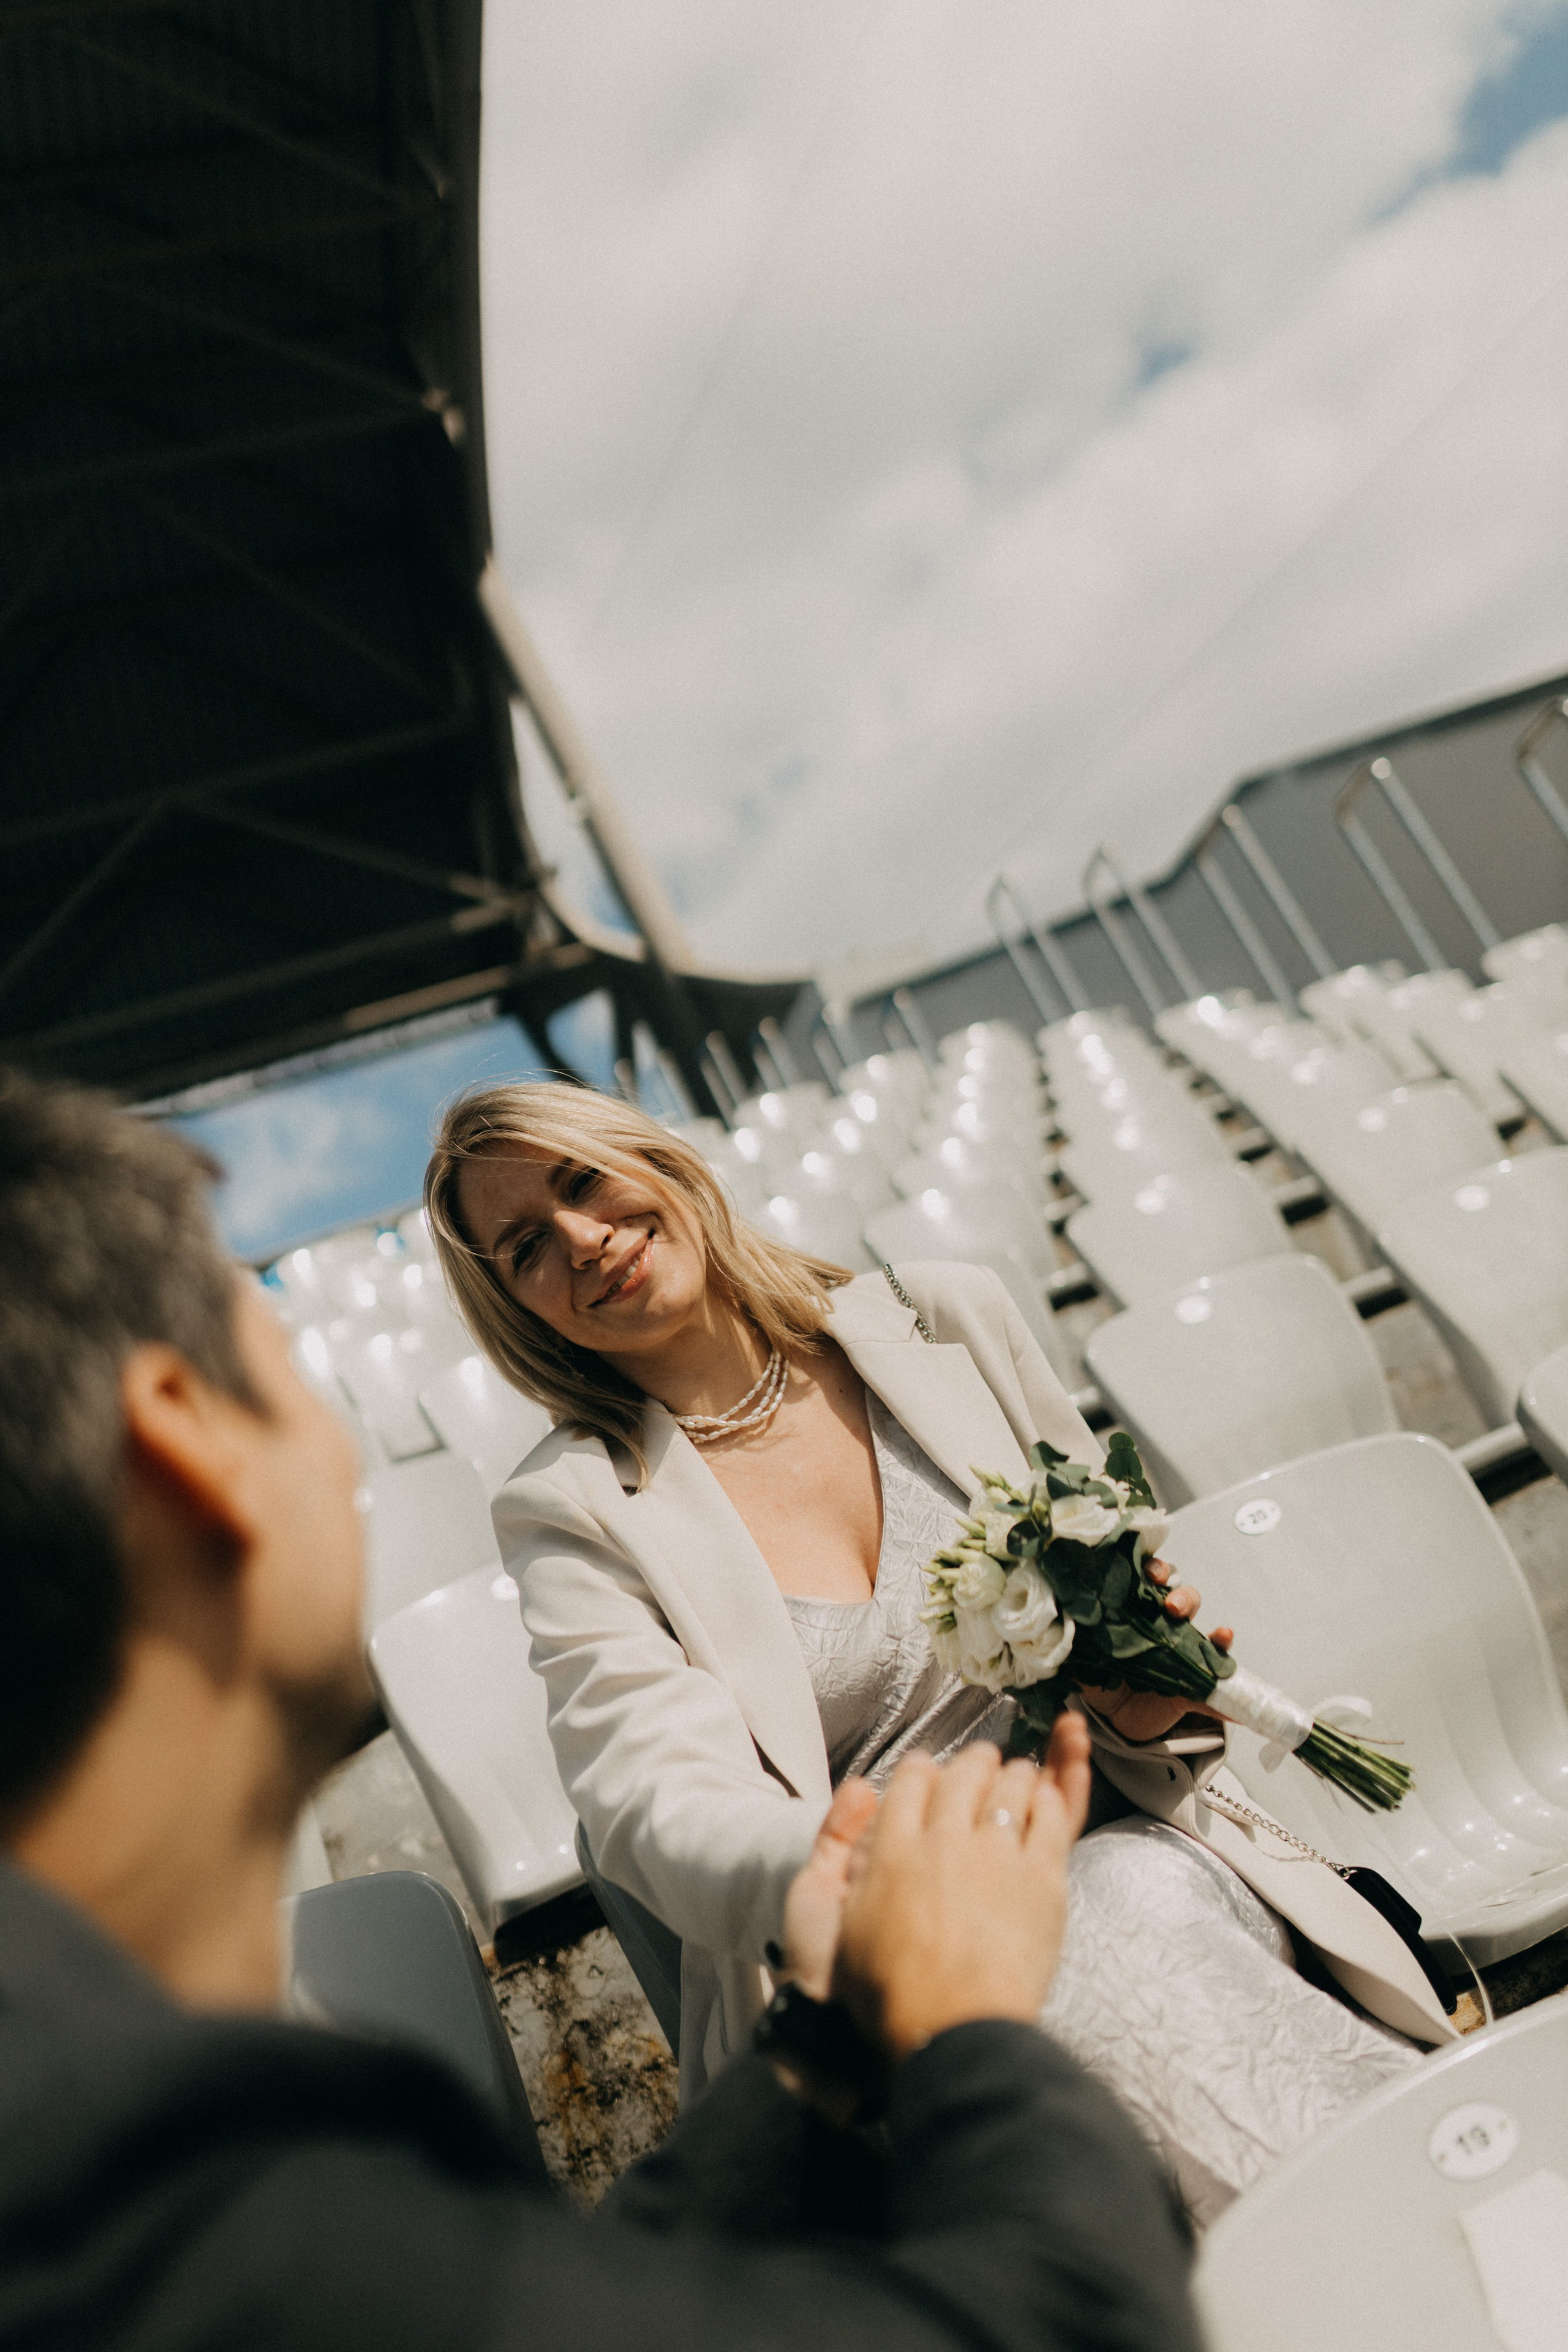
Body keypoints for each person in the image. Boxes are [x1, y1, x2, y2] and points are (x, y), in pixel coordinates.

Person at [0, 1065, 1204, 2352]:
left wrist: (812, 2056)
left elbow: (596, 2297)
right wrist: (938, 1986)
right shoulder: (231, 2197)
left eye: (585, 1183)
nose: (579, 1238)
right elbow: (1071, 2319)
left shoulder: (110, 2138)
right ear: (188, 1449)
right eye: (286, 1366)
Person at [426, 1082, 1458, 2227]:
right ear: (521, 1308)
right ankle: (1440, 2216)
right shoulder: (572, 1510)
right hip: (893, 1963)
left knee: (1116, 1906)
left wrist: (1140, 1692)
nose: (581, 1239)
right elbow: (650, 1802)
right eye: (527, 1246)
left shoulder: (942, 1321)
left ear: (659, 1163)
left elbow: (1121, 1571)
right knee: (1086, 1945)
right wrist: (881, 1868)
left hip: (1138, 1838)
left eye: (582, 1183)